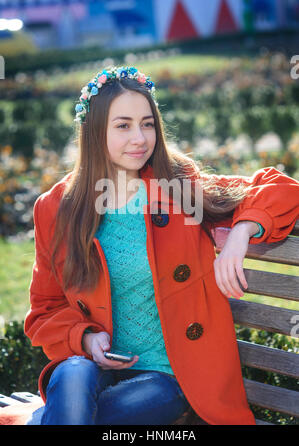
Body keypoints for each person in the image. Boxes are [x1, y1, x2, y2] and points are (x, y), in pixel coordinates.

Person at [24, 65, 299, 425]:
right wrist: (86, 338)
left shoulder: (178, 186)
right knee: (74, 374)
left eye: (147, 123)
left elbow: (279, 187)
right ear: (93, 132)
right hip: (93, 368)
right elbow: (45, 309)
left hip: (168, 378)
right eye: (123, 125)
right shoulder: (56, 206)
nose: (139, 138)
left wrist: (241, 232)